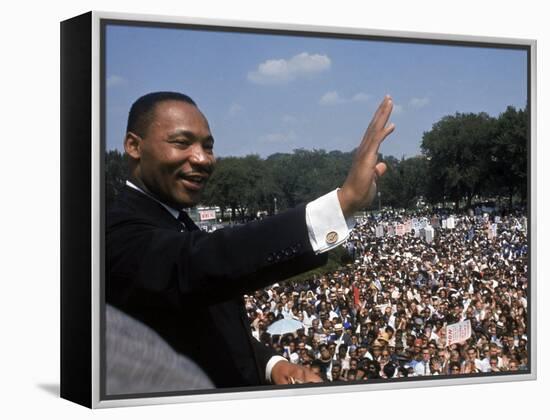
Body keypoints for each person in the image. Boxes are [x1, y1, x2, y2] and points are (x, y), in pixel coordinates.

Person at [106, 91, 395, 390]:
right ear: (134, 146)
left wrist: (270, 364)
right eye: (182, 143)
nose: (203, 158)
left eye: (208, 146)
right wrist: (342, 202)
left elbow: (206, 327)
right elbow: (201, 263)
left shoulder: (178, 223)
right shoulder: (115, 233)